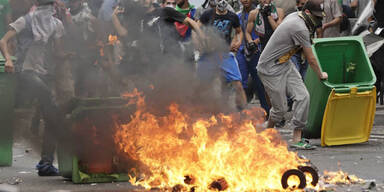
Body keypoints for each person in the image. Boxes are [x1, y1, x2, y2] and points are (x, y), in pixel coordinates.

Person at [0, 0, 71, 176]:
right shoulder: (26, 20)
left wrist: (71, 56)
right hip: (26, 72)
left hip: (44, 74)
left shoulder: (57, 24)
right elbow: (3, 41)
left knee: (51, 117)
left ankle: (46, 163)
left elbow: (58, 52)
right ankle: (46, 161)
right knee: (52, 109)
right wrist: (8, 59)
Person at [255, 0, 328, 149]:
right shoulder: (299, 27)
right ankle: (266, 129)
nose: (319, 20)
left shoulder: (298, 16)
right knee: (280, 110)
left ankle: (296, 138)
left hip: (285, 63)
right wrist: (321, 75)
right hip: (269, 68)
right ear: (307, 12)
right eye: (317, 17)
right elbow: (311, 59)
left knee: (303, 96)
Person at [198, 0, 247, 110]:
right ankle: (201, 113)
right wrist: (202, 40)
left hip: (225, 54)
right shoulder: (208, 14)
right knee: (202, 86)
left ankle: (243, 114)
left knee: (238, 85)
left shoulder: (232, 16)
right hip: (208, 54)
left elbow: (239, 31)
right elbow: (197, 27)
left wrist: (238, 42)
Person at [236, 0, 269, 113]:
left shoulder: (260, 13)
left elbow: (269, 32)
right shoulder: (238, 15)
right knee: (240, 81)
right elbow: (237, 32)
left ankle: (267, 111)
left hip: (257, 51)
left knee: (260, 82)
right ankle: (240, 112)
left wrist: (256, 42)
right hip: (242, 51)